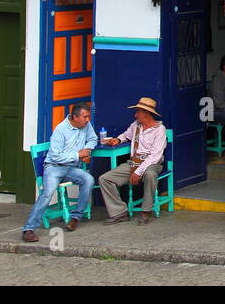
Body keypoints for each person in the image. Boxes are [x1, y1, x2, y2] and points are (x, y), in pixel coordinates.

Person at [21, 102, 98, 242]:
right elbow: (55, 155)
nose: (88, 120)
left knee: (88, 179)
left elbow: (93, 139)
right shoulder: (60, 130)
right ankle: (28, 229)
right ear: (75, 117)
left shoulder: (86, 125)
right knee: (47, 194)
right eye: (85, 117)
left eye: (88, 117)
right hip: (54, 167)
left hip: (71, 168)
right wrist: (77, 155)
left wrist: (86, 149)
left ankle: (75, 217)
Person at [98, 97, 169, 226]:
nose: (135, 114)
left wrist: (138, 171)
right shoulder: (136, 125)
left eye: (138, 111)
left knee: (150, 175)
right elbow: (126, 135)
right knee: (105, 179)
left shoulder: (159, 130)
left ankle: (146, 211)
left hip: (152, 164)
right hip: (133, 162)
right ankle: (119, 212)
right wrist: (118, 140)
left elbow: (155, 156)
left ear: (146, 113)